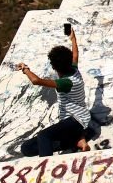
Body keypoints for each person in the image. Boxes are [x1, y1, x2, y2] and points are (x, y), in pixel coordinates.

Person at [18, 27, 90, 156]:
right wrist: (73, 38)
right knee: (26, 148)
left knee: (43, 136)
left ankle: (46, 165)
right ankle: (77, 140)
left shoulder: (65, 82)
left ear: (54, 67)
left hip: (75, 121)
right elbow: (75, 54)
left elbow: (36, 81)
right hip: (75, 124)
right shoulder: (73, 68)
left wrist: (25, 69)